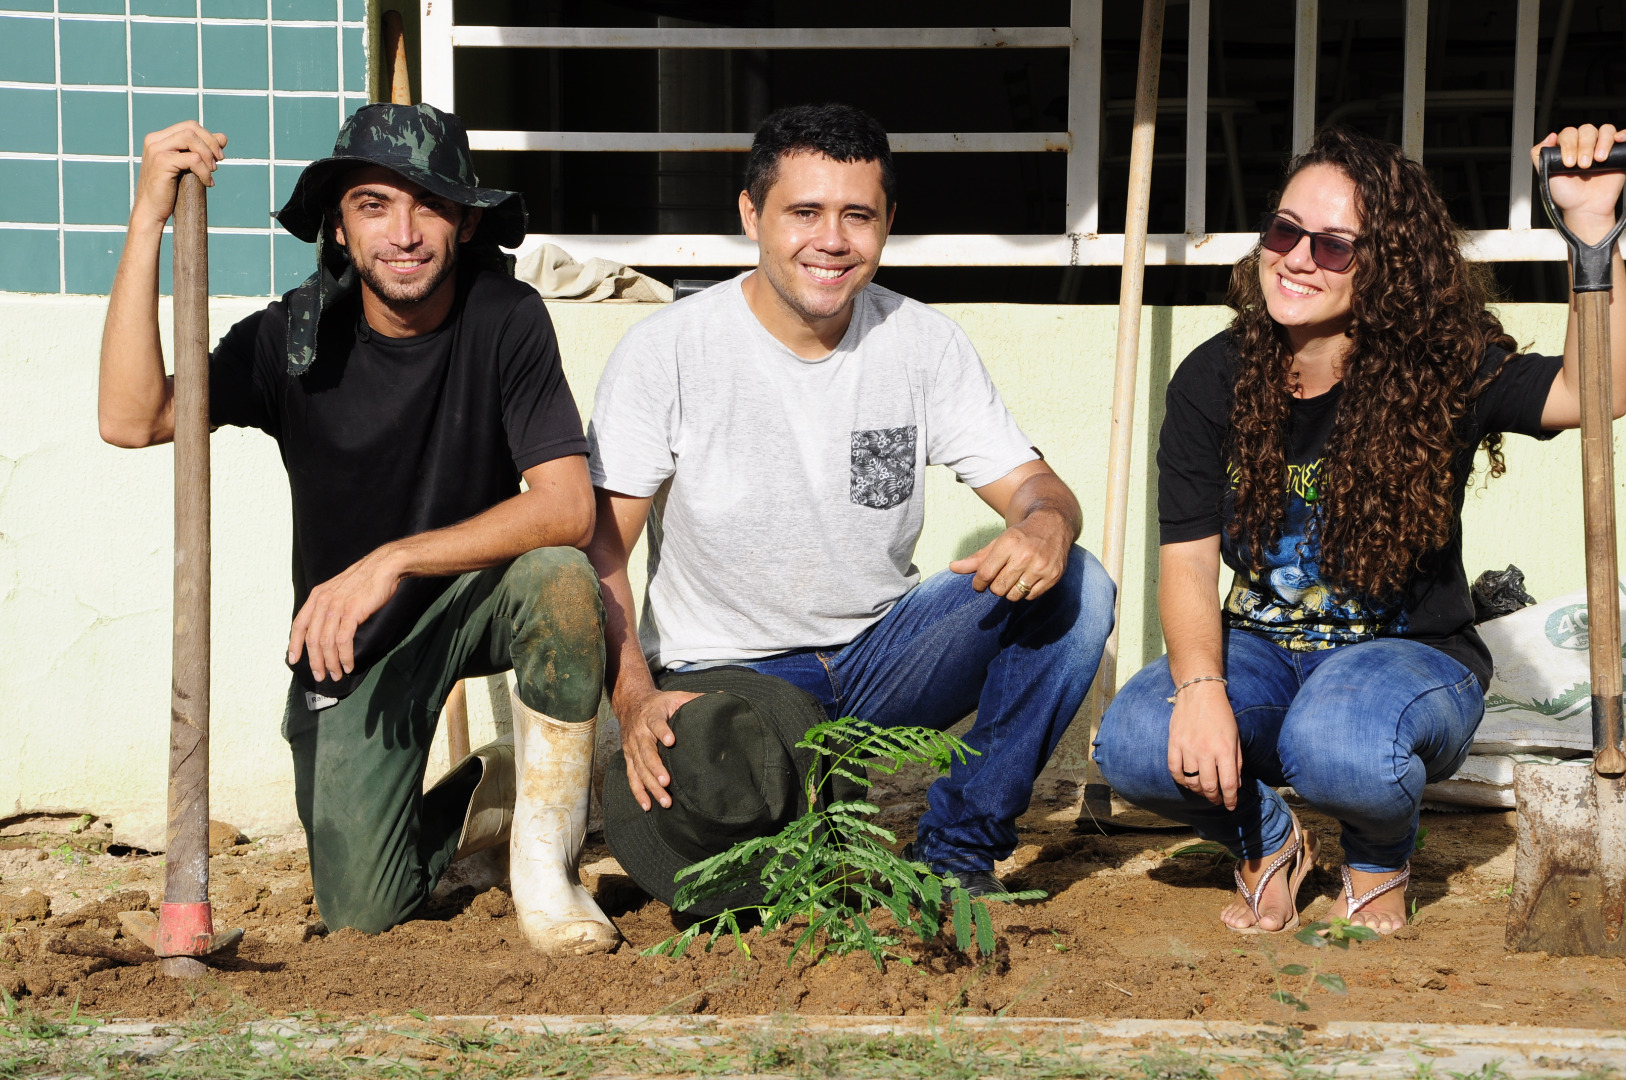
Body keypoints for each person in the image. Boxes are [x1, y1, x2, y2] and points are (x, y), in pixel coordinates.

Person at [97, 102, 619, 953]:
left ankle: (545, 868)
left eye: (430, 206)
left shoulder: (507, 318)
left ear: (466, 221)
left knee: (561, 578)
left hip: (472, 599)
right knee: (363, 914)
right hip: (356, 646)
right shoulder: (293, 340)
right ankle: (483, 797)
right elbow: (132, 417)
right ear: (338, 229)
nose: (404, 233)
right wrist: (149, 216)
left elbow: (566, 506)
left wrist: (394, 560)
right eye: (374, 206)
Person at [1094, 123, 1626, 935]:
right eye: (1285, 231)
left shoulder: (1439, 366)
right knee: (1134, 739)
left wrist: (1591, 233)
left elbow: (1596, 392)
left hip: (1412, 660)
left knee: (1337, 739)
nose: (1299, 258)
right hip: (1263, 652)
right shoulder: (1214, 377)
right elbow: (1190, 566)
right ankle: (1268, 844)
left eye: (1336, 246)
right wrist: (1200, 689)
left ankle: (1378, 854)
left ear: (1387, 268)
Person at [587, 103, 1116, 898]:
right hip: (734, 680)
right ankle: (805, 813)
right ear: (750, 215)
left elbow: (1037, 487)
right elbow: (602, 551)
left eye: (857, 216)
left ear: (887, 223)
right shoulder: (668, 352)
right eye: (804, 212)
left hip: (883, 660)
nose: (831, 240)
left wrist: (1045, 520)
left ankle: (959, 852)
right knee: (786, 874)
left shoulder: (923, 343)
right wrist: (633, 696)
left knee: (1081, 585)